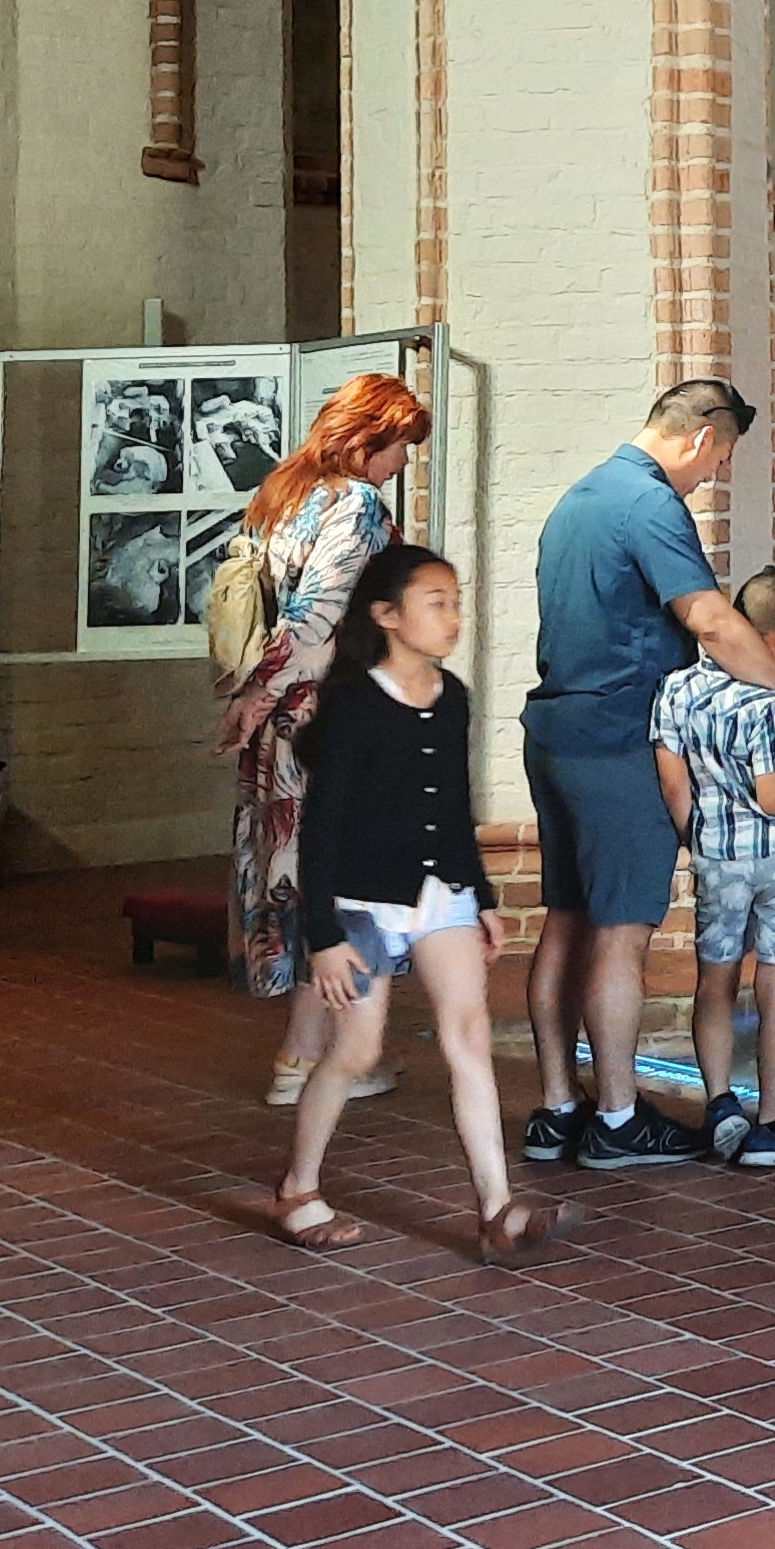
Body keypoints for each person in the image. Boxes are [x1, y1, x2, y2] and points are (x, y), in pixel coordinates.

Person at [519, 377, 775, 1171]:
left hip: (553, 731)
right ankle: (617, 1121)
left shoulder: (579, 497)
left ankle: (558, 1110)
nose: (711, 477)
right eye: (718, 462)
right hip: (617, 741)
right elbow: (712, 619)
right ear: (701, 438)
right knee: (621, 932)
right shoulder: (649, 503)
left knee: (567, 917)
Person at [270, 543, 556, 1265]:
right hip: (363, 903)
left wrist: (481, 894)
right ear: (388, 616)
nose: (453, 616)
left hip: (442, 895)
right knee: (356, 1049)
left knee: (469, 1039)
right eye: (436, 603)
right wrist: (324, 934)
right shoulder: (355, 705)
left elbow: (453, 806)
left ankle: (495, 1206)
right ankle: (299, 1187)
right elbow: (322, 826)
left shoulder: (451, 696)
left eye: (456, 601)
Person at [219, 370, 435, 1105]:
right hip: (328, 719)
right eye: (401, 444)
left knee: (300, 872)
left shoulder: (283, 495)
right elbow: (316, 622)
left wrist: (254, 696)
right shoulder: (356, 505)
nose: (403, 461)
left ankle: (338, 1050)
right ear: (371, 436)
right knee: (337, 882)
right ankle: (308, 1058)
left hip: (284, 720)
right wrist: (263, 693)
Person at [654, 564, 775, 1168]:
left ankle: (720, 1104)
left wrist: (698, 839)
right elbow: (774, 795)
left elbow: (673, 783)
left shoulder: (677, 690)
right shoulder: (770, 703)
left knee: (716, 978)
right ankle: (772, 1124)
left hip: (717, 856)